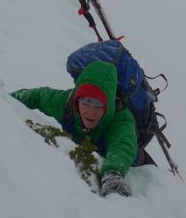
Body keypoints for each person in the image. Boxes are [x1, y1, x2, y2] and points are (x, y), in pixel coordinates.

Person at [10, 60, 138, 197]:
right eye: (86, 102)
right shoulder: (67, 103)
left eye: (98, 104)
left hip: (133, 164)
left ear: (108, 105)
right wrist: (3, 99)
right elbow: (39, 96)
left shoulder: (121, 119)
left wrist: (112, 172)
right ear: (77, 100)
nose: (90, 112)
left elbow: (122, 146)